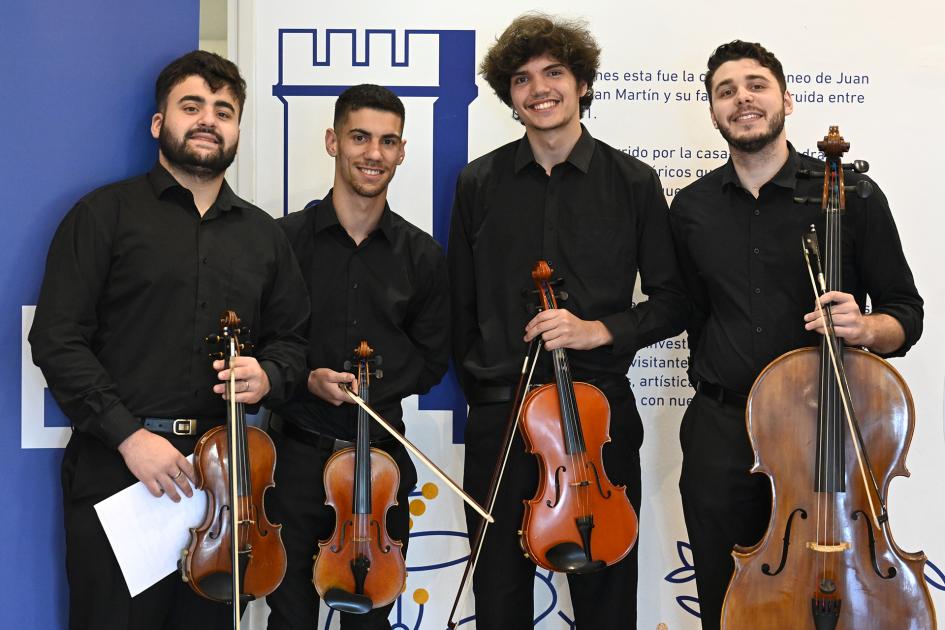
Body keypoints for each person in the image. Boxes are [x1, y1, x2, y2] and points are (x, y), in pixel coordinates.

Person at [28, 51, 310, 629]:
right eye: (192, 106)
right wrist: (129, 437)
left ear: (236, 131)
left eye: (224, 111)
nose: (209, 119)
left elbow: (292, 341)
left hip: (224, 485)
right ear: (160, 123)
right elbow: (57, 338)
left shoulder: (265, 236)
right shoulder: (102, 215)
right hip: (117, 472)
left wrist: (269, 375)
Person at [668, 40, 923, 630]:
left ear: (785, 98)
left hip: (824, 430)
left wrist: (865, 326)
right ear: (713, 112)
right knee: (726, 599)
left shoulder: (852, 196)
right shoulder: (692, 207)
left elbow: (904, 313)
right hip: (722, 432)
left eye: (755, 85)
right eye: (725, 91)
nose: (742, 99)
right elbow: (692, 312)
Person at [448, 13, 687, 628]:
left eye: (554, 72)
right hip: (502, 417)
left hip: (597, 416)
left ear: (582, 82)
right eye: (523, 79)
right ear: (510, 96)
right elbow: (460, 307)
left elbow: (673, 299)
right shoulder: (479, 181)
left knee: (605, 601)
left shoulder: (633, 182)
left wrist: (598, 330)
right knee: (499, 598)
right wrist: (488, 391)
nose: (540, 89)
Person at [265, 83, 450, 630]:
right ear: (332, 141)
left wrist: (376, 385)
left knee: (370, 617)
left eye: (388, 141)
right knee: (289, 614)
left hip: (382, 463)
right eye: (360, 137)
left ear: (402, 150)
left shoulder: (423, 256)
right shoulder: (282, 242)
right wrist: (305, 379)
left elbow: (432, 358)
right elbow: (263, 343)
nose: (374, 153)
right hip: (296, 459)